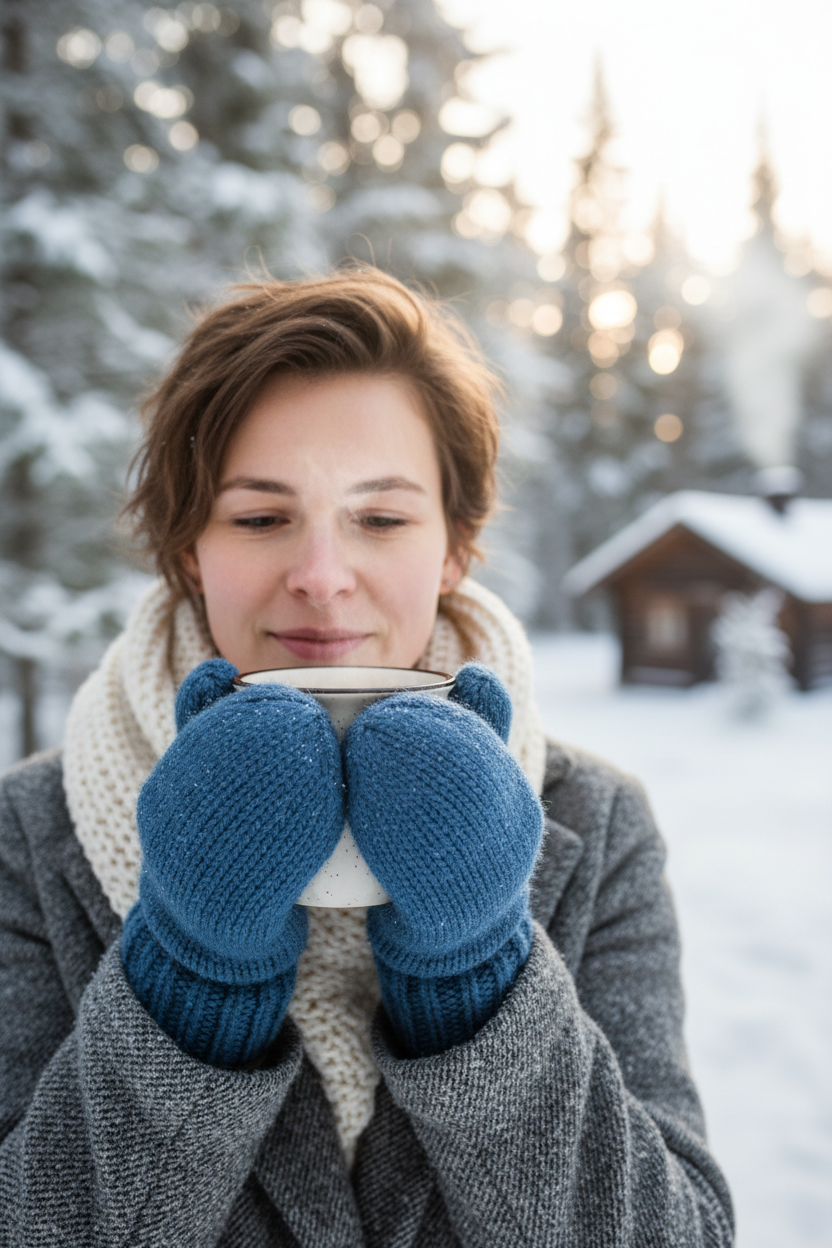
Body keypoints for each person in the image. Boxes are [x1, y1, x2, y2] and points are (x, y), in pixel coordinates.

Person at [0, 269, 733, 1246]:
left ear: (453, 547)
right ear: (188, 550)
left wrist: (480, 973)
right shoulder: (26, 837)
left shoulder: (596, 826)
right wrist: (189, 978)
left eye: (380, 519)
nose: (320, 578)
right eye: (260, 518)